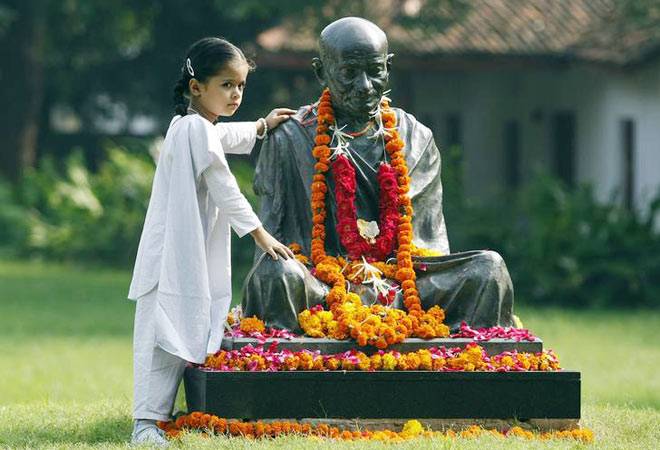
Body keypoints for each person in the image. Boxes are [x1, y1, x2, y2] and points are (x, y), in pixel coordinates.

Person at [243, 17, 515, 333]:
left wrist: (386, 283)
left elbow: (429, 242)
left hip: (405, 283)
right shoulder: (290, 136)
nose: (364, 86)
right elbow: (272, 241)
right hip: (321, 284)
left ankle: (464, 371)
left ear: (388, 67)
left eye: (375, 71)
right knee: (277, 274)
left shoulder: (415, 136)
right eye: (349, 73)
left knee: (488, 269)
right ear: (321, 72)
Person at [126, 37, 295, 446]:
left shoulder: (192, 126)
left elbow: (223, 140)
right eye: (226, 85)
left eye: (240, 86)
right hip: (174, 253)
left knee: (182, 324)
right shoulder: (194, 129)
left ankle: (158, 418)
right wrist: (259, 233)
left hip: (186, 249)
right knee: (163, 333)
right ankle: (145, 424)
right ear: (196, 87)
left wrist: (260, 126)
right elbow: (224, 186)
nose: (236, 93)